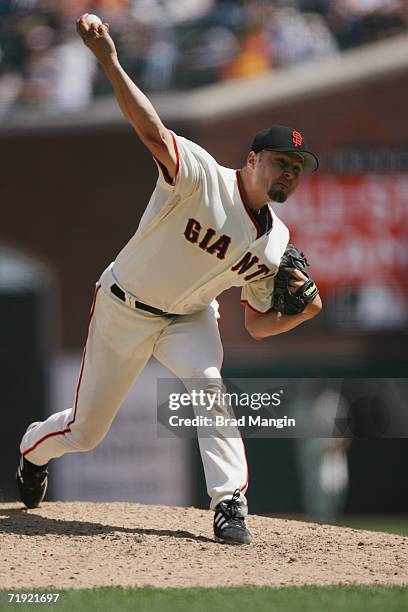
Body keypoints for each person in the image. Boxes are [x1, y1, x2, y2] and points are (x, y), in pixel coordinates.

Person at [16, 14, 322, 546]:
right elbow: (151, 130)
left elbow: (255, 326)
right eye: (280, 161)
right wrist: (109, 61)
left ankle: (230, 503)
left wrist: (304, 312)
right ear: (252, 159)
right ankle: (33, 451)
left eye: (297, 168)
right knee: (86, 433)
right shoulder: (203, 176)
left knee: (210, 388)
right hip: (124, 305)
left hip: (191, 318)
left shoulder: (277, 242)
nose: (288, 173)